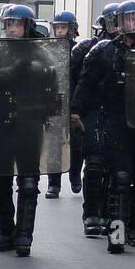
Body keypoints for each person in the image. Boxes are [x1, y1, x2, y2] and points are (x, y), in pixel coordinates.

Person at [71, 0, 135, 254]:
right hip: (116, 121)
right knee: (120, 177)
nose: (134, 24)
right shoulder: (104, 51)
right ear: (118, 24)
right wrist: (75, 111)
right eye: (129, 19)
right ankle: (117, 233)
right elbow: (86, 82)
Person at [0, 4, 46, 257]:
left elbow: (54, 81)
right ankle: (6, 231)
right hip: (0, 121)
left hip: (29, 122)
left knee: (29, 182)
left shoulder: (41, 52)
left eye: (17, 24)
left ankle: (25, 235)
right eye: (8, 23)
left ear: (27, 26)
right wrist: (8, 72)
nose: (11, 28)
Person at [72, 2, 118, 235]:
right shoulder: (88, 49)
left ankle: (112, 215)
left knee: (119, 169)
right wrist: (74, 111)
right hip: (92, 111)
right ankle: (91, 214)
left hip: (121, 114)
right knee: (95, 164)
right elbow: (77, 81)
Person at [44, 10, 81, 199]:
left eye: (63, 27)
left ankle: (75, 176)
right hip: (54, 103)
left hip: (73, 101)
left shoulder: (79, 49)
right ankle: (53, 184)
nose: (59, 31)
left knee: (76, 144)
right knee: (54, 145)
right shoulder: (48, 50)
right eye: (57, 27)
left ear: (72, 29)